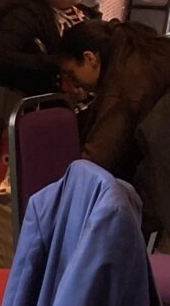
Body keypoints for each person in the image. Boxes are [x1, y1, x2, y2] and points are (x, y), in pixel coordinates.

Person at [58, 18, 170, 183]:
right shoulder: (137, 49)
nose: (71, 84)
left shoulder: (123, 82)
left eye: (71, 74)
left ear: (90, 58)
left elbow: (98, 160)